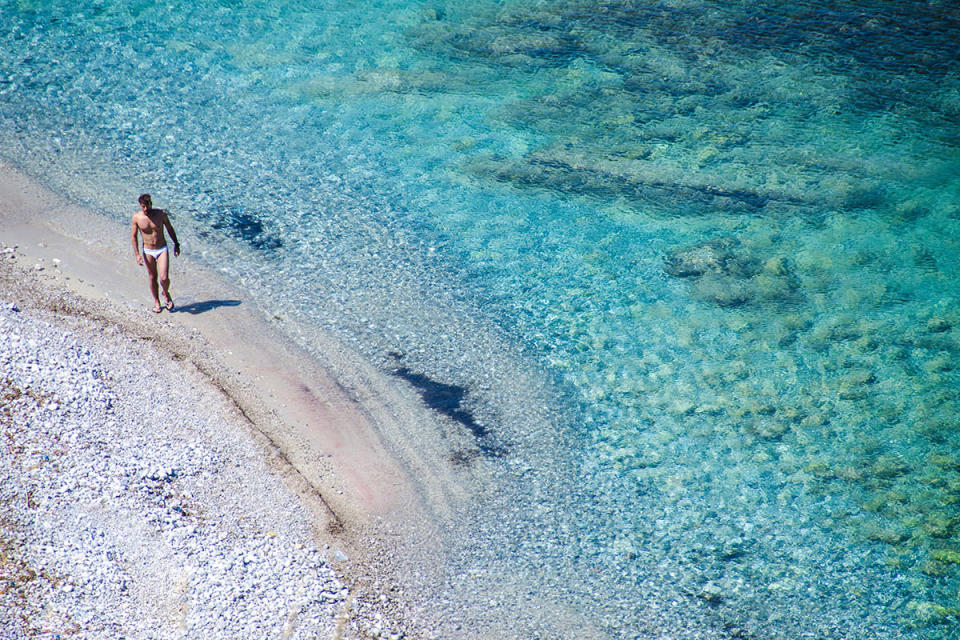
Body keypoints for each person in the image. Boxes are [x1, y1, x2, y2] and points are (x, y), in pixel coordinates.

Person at [131, 193, 180, 313]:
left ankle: (165, 292)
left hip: (162, 248)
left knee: (164, 278)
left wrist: (176, 244)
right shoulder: (137, 218)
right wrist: (137, 254)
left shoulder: (161, 214)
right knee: (153, 277)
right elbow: (134, 237)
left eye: (147, 206)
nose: (146, 209)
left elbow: (169, 228)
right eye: (143, 207)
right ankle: (157, 301)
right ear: (140, 206)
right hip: (148, 250)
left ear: (151, 203)